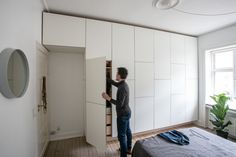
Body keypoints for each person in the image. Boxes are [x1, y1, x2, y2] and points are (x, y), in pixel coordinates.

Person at [102, 67, 132, 157]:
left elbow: (120, 104)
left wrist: (108, 98)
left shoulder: (122, 87)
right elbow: (114, 83)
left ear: (119, 75)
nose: (115, 74)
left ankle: (124, 154)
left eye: (116, 73)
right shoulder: (122, 84)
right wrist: (105, 78)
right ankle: (128, 148)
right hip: (127, 113)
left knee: (121, 136)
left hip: (123, 114)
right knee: (127, 131)